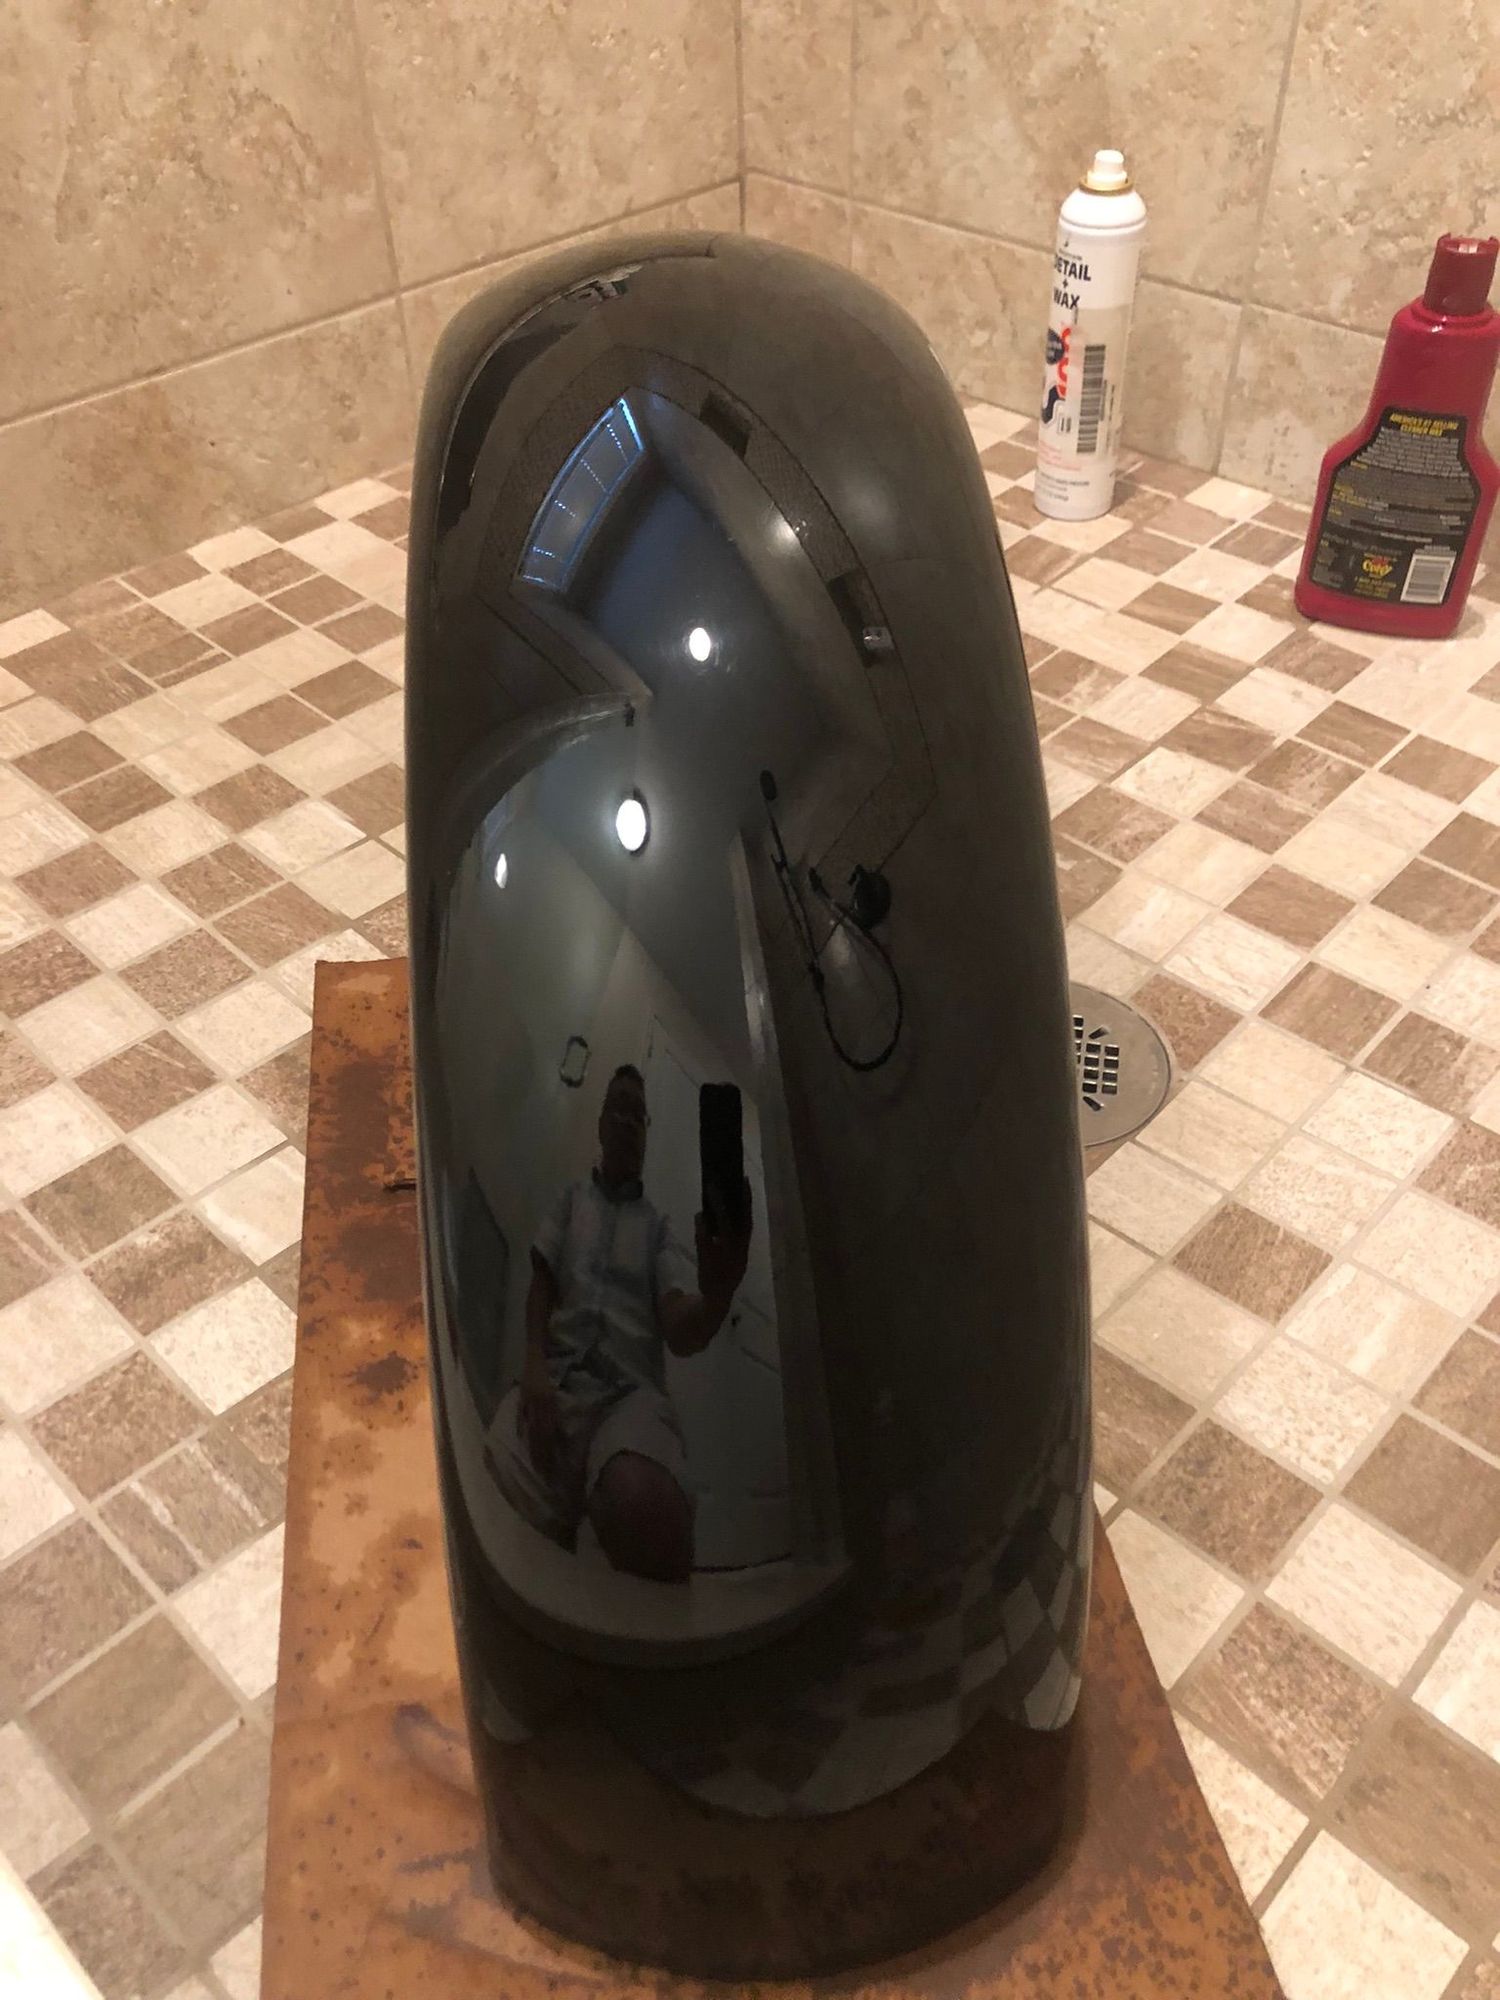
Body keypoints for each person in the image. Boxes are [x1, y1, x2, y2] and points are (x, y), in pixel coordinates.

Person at [488, 1063, 750, 1581]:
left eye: (639, 1114)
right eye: (620, 1109)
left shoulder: (658, 1229)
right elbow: (541, 1285)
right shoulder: (570, 1201)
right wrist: (534, 1369)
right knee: (493, 1492)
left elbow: (679, 1328)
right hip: (555, 1383)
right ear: (601, 1123)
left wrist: (718, 1296)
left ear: (646, 1133)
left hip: (629, 1398)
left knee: (650, 1511)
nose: (629, 1122)